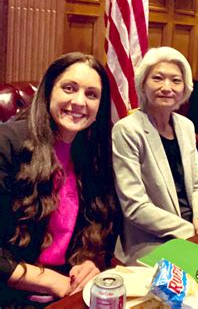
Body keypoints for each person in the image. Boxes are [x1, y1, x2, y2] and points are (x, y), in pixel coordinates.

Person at [0, 52, 119, 306]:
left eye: (91, 94)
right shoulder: (7, 143)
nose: (79, 101)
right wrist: (52, 281)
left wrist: (91, 263)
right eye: (69, 88)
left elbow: (105, 224)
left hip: (70, 290)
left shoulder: (93, 151)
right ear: (48, 92)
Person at [112, 47, 198, 265]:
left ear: (184, 88)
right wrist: (189, 232)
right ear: (143, 84)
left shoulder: (185, 126)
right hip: (150, 238)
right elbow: (135, 207)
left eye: (176, 81)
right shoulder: (127, 130)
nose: (167, 87)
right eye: (157, 79)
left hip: (194, 227)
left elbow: (197, 184)